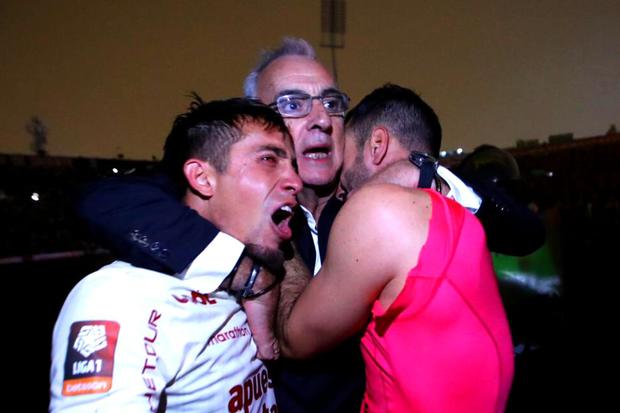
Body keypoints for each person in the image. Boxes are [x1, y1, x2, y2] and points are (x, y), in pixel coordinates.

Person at [76, 38, 539, 412]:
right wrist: (243, 269)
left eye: (332, 103)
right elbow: (102, 199)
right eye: (294, 104)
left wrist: (425, 170)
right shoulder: (226, 195)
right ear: (255, 120)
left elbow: (522, 231)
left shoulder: (372, 199)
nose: (320, 119)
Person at [50, 96, 302, 412]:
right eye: (268, 159)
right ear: (202, 178)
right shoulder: (118, 297)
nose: (295, 180)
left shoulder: (257, 260)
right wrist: (251, 276)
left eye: (292, 164)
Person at [277, 84, 514, 413]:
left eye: (344, 161)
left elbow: (293, 339)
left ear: (376, 145)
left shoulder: (378, 209)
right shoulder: (458, 215)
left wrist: (275, 230)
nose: (341, 189)